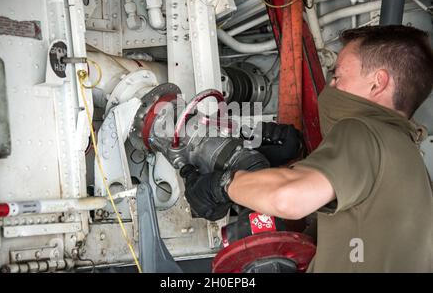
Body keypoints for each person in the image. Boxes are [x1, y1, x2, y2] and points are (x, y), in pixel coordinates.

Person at [180, 25, 433, 272]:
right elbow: (331, 239)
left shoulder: (364, 130)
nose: (330, 88)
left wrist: (223, 185)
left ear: (377, 83)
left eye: (337, 77)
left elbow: (288, 198)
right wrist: (288, 165)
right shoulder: (410, 161)